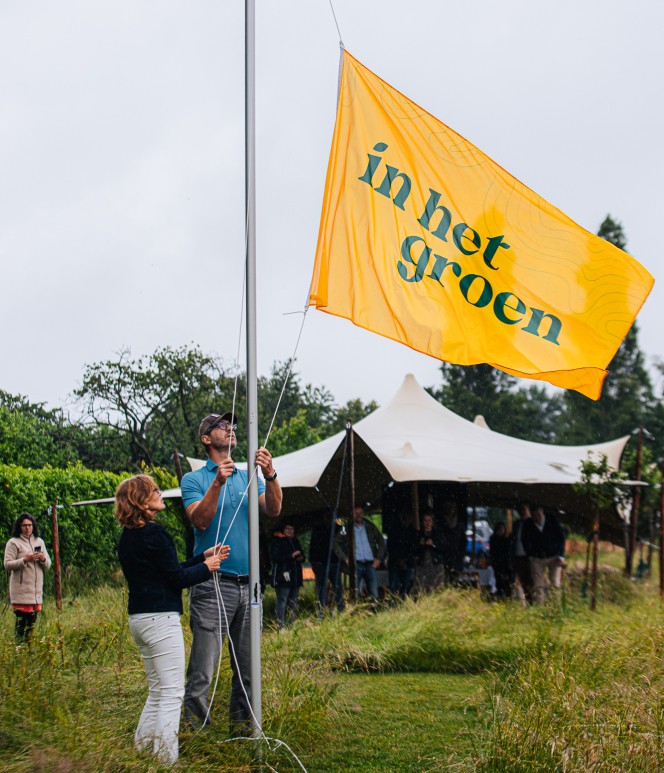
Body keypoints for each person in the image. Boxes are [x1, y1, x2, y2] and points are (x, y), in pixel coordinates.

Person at [116, 474, 228, 766]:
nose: (161, 493)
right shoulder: (157, 534)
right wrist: (208, 568)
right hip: (161, 621)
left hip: (139, 619)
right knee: (172, 693)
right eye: (155, 490)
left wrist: (202, 558)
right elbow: (177, 579)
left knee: (157, 690)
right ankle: (166, 761)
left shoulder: (129, 536)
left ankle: (142, 752)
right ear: (142, 501)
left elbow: (167, 570)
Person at [180, 412, 282, 732]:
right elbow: (200, 520)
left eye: (232, 425)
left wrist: (270, 474)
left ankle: (241, 735)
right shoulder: (194, 479)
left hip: (250, 586)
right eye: (222, 426)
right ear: (207, 439)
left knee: (248, 670)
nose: (231, 429)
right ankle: (196, 736)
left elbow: (274, 510)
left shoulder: (247, 476)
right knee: (204, 669)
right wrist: (217, 482)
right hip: (212, 586)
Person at [4, 513, 51, 643]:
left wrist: (42, 558)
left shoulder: (39, 541)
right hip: (21, 593)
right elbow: (7, 565)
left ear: (33, 526)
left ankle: (28, 651)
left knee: (31, 627)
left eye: (29, 525)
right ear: (19, 526)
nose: (27, 528)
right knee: (21, 626)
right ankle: (19, 650)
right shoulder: (13, 543)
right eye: (24, 525)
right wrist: (25, 559)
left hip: (35, 594)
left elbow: (48, 564)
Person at [334, 505, 385, 601]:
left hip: (370, 563)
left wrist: (379, 558)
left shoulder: (370, 526)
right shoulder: (346, 528)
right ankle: (356, 611)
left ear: (363, 514)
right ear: (352, 514)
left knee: (374, 591)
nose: (358, 515)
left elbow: (381, 541)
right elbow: (336, 543)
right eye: (356, 513)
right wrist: (345, 558)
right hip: (356, 564)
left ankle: (374, 610)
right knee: (355, 592)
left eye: (360, 513)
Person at [521, 505, 566, 604]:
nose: (537, 517)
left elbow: (561, 537)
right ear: (531, 515)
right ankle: (539, 607)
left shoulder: (552, 520)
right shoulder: (528, 524)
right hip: (537, 558)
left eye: (538, 513)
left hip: (554, 556)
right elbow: (524, 540)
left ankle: (556, 607)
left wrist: (561, 555)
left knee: (555, 583)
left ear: (542, 511)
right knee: (538, 585)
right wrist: (530, 554)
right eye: (534, 515)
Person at [270, 522, 305, 627]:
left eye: (292, 529)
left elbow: (302, 555)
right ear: (283, 530)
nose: (290, 531)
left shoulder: (296, 541)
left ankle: (292, 624)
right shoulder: (278, 542)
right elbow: (275, 558)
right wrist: (291, 556)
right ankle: (280, 624)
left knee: (293, 602)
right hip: (283, 576)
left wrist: (300, 557)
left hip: (295, 576)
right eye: (287, 529)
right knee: (282, 600)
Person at [309, 516, 346, 613]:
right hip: (321, 563)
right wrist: (313, 561)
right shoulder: (318, 529)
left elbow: (343, 543)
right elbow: (313, 546)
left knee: (337, 587)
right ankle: (321, 610)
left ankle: (340, 608)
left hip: (333, 562)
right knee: (322, 588)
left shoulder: (338, 528)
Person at [387, 512, 418, 600]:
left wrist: (406, 560)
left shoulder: (413, 532)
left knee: (406, 588)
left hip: (408, 563)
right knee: (394, 588)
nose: (405, 520)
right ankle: (394, 607)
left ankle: (404, 606)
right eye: (404, 518)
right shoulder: (394, 531)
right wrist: (399, 559)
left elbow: (414, 548)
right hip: (395, 563)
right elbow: (391, 547)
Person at [415, 510, 445, 593]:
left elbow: (444, 547)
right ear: (422, 522)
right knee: (422, 590)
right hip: (422, 566)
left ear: (432, 522)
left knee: (437, 589)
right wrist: (420, 544)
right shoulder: (418, 534)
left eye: (429, 520)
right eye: (425, 520)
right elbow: (413, 550)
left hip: (436, 565)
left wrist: (434, 544)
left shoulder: (438, 533)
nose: (427, 523)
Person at [510, 502, 534, 603]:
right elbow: (512, 541)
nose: (522, 512)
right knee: (523, 581)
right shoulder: (516, 524)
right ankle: (529, 602)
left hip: (530, 557)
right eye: (521, 510)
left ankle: (535, 601)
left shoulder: (532, 523)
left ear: (529, 511)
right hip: (518, 556)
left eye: (524, 510)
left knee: (532, 580)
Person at [488, 521, 512, 598]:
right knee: (499, 581)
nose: (501, 531)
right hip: (497, 563)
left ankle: (507, 595)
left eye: (502, 529)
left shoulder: (507, 539)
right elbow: (492, 552)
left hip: (506, 563)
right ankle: (500, 595)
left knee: (507, 581)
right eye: (499, 529)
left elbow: (508, 552)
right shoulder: (493, 539)